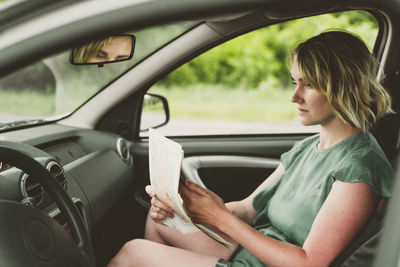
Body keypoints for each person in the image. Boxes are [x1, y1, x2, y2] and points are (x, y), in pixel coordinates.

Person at [107, 31, 394, 267]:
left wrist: (219, 218)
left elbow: (310, 262)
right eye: (295, 83)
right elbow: (247, 210)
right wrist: (189, 207)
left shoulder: (361, 167)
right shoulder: (309, 147)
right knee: (162, 221)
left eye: (308, 86)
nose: (294, 96)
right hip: (258, 252)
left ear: (342, 87)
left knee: (133, 254)